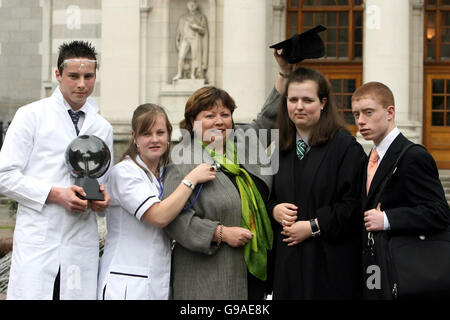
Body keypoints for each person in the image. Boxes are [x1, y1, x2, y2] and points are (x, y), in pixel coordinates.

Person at [162, 51, 290, 300]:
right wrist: (219, 233)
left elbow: (268, 118)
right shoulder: (183, 158)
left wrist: (284, 73)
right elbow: (174, 219)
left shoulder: (244, 142)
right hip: (208, 276)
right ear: (192, 121)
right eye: (209, 116)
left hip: (253, 272)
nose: (219, 122)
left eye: (225, 114)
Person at [0, 41, 113, 299]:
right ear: (58, 75)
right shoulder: (31, 116)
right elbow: (4, 176)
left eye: (88, 76)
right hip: (40, 240)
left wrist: (101, 200)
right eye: (73, 76)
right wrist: (55, 194)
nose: (81, 84)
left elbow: (102, 180)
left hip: (80, 243)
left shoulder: (103, 127)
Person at [98, 104, 216, 300]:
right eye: (146, 134)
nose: (154, 139)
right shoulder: (125, 172)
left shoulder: (164, 172)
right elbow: (159, 216)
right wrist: (192, 179)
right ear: (134, 138)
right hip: (126, 285)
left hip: (157, 282)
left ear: (168, 136)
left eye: (160, 132)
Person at [270, 67, 367, 299]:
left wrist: (313, 226)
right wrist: (274, 210)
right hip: (288, 266)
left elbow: (353, 205)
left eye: (307, 100)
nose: (299, 106)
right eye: (292, 99)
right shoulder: (279, 148)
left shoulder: (345, 147)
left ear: (323, 103)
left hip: (328, 264)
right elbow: (266, 196)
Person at [351, 81, 450, 299]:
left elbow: (440, 213)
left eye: (368, 112)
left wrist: (387, 219)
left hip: (403, 271)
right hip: (375, 268)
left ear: (390, 112)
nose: (360, 121)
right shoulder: (373, 156)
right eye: (356, 114)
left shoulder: (413, 156)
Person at [173, 0, 208, 81]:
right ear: (187, 5)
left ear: (196, 5)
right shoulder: (183, 17)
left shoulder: (201, 16)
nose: (191, 6)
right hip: (185, 39)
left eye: (193, 4)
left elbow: (204, 31)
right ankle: (179, 73)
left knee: (195, 57)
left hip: (195, 38)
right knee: (181, 57)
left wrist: (197, 27)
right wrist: (177, 40)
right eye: (190, 4)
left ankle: (193, 74)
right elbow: (179, 30)